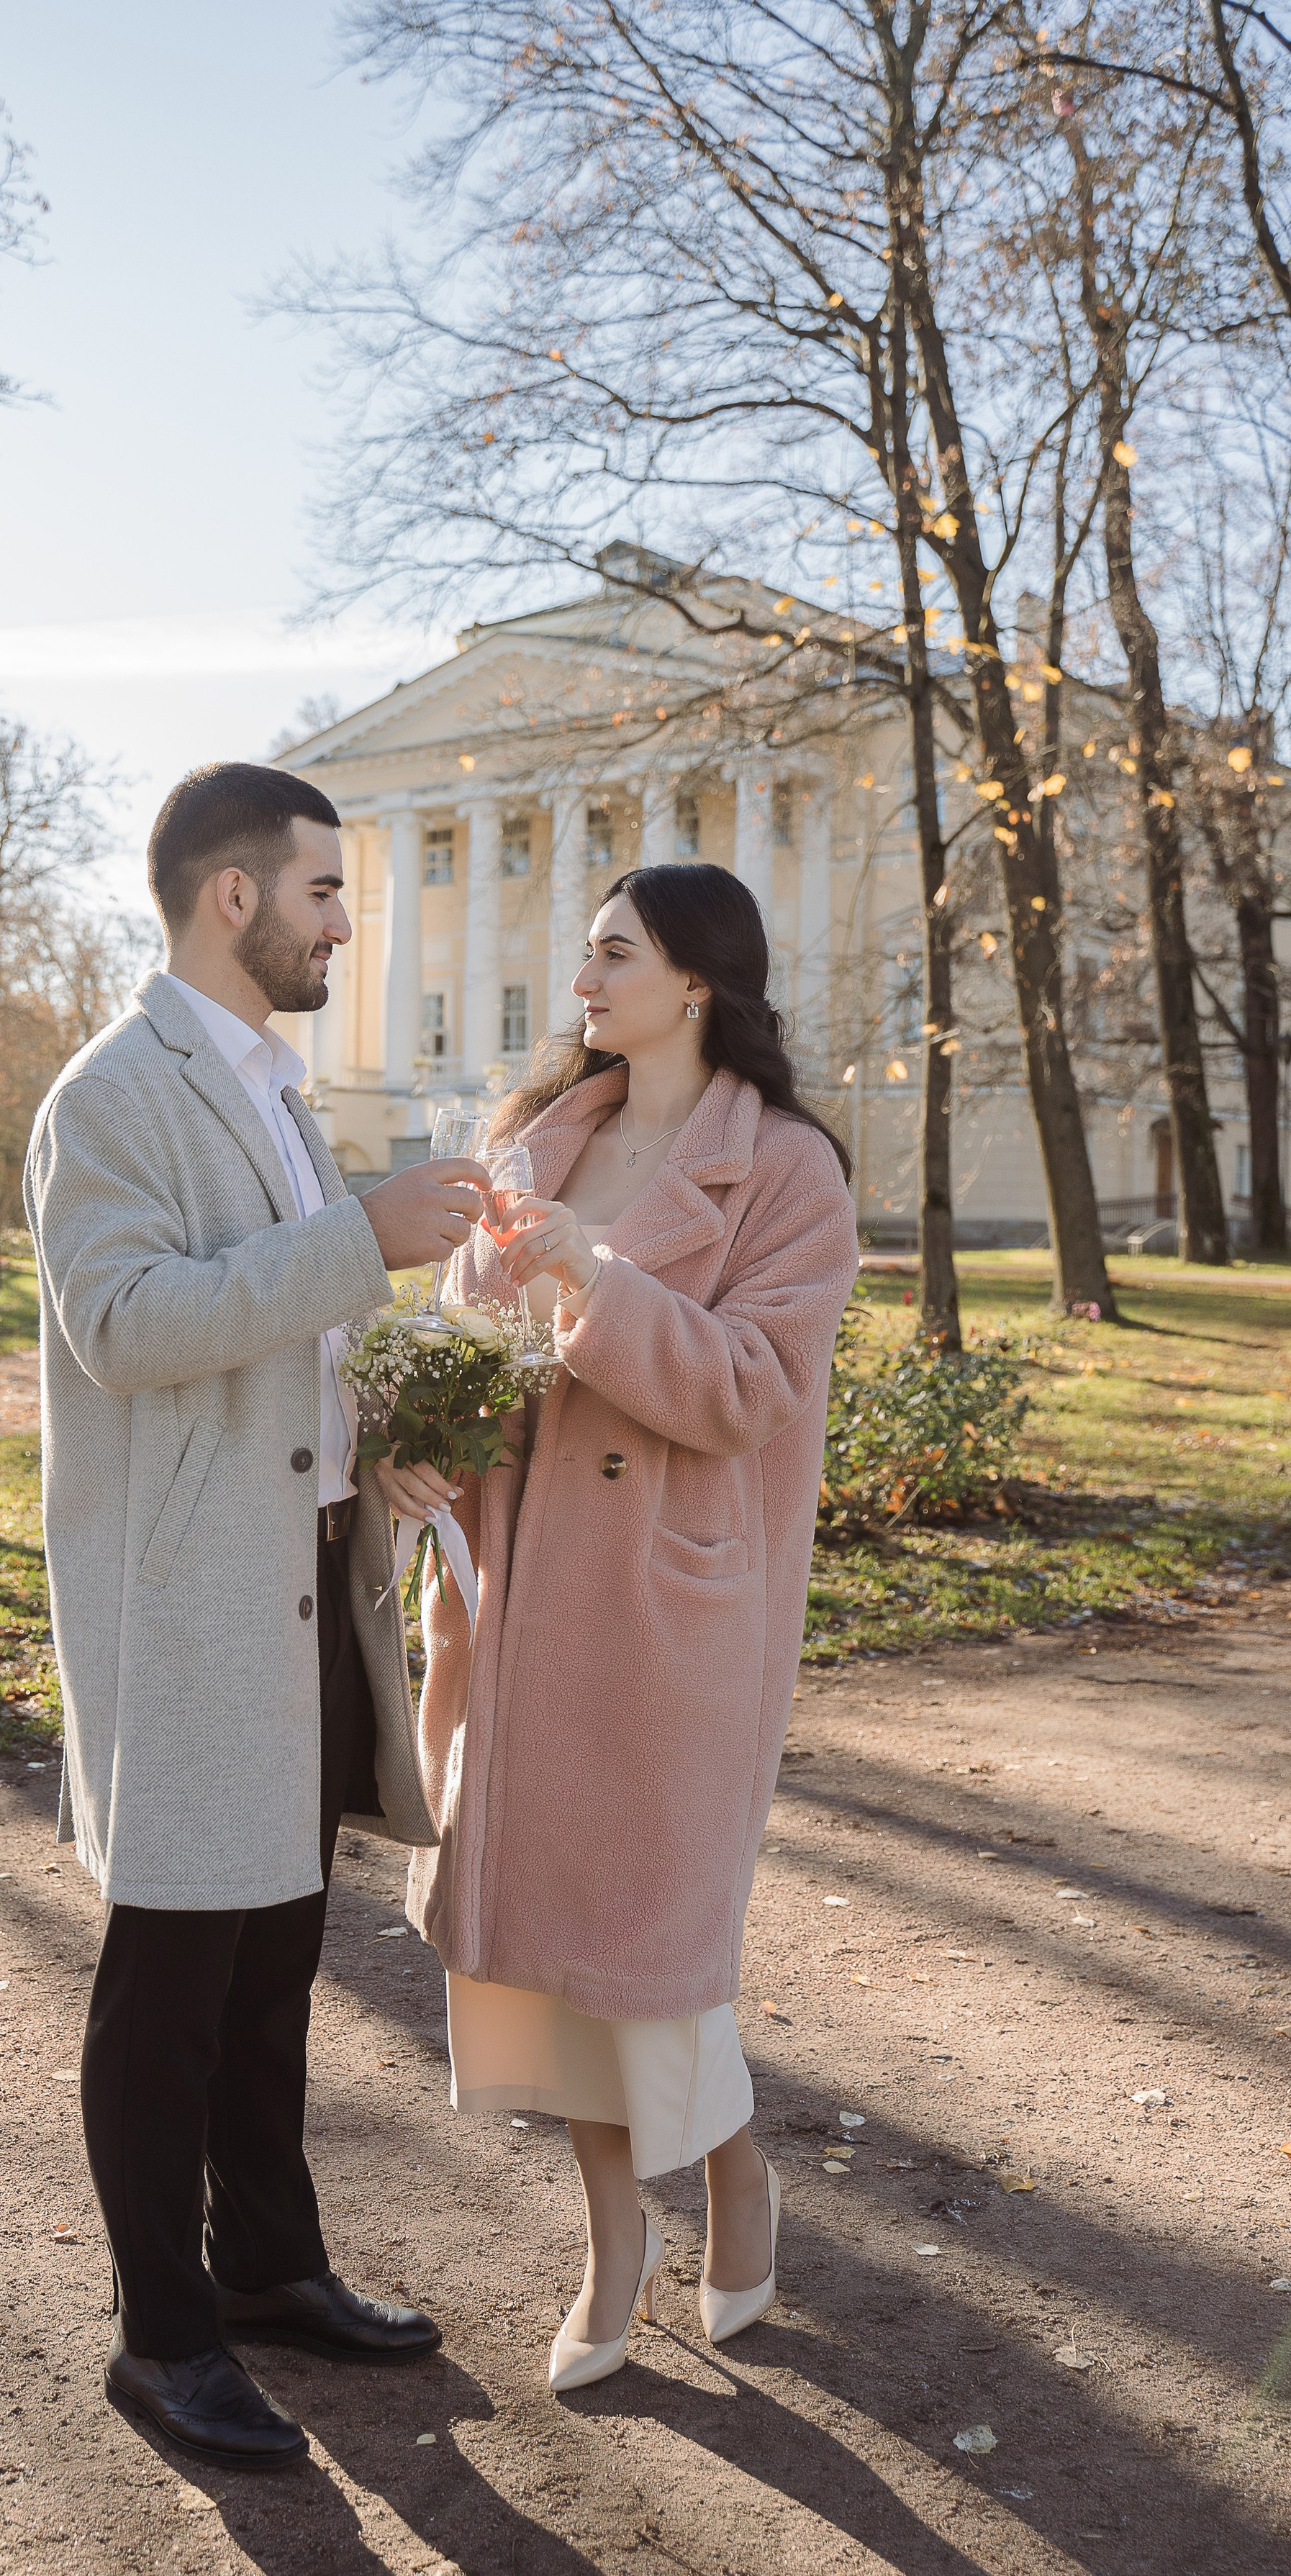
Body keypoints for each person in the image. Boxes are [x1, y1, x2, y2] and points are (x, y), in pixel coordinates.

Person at [24, 761, 490, 2469]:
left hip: (306, 1581)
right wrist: (362, 1240)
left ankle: (271, 2270)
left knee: (277, 1958)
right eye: (319, 893)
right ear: (232, 897)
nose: (340, 925)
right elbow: (125, 1326)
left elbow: (293, 1340)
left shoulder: (279, 1098)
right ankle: (161, 2336)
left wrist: (394, 1442)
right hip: (189, 1596)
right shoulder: (112, 1094)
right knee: (172, 1974)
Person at [376, 863, 859, 2389]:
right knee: (538, 1954)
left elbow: (748, 1392)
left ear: (695, 980)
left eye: (608, 954)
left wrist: (591, 1277)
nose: (579, 981)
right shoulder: (533, 1141)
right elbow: (464, 1335)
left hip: (663, 1608)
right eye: (582, 954)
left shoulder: (784, 1171)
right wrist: (413, 1434)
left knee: (638, 1958)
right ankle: (615, 2237)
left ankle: (729, 2182)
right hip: (514, 1592)